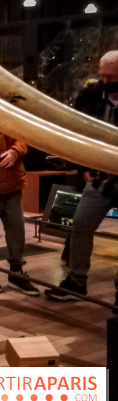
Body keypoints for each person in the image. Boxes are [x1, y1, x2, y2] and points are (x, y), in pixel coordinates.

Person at [46, 50, 118, 301]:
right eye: (102, 76)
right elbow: (78, 134)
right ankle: (76, 281)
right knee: (80, 227)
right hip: (99, 180)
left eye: (112, 76)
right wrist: (83, 168)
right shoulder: (90, 97)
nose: (106, 82)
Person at [0, 133, 39, 296]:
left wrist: (16, 151)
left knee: (17, 228)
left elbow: (22, 134)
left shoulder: (8, 112)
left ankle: (16, 272)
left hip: (12, 180)